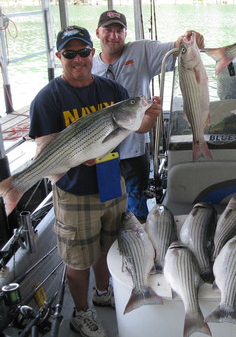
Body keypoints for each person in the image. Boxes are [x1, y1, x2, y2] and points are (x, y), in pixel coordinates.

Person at [29, 25, 162, 337]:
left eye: (84, 52)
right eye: (70, 54)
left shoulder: (111, 90)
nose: (79, 59)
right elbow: (43, 150)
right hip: (75, 191)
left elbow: (134, 127)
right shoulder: (47, 98)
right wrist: (73, 160)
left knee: (107, 245)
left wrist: (150, 115)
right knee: (78, 258)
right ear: (59, 56)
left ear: (92, 52)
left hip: (109, 181)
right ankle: (82, 313)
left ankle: (103, 293)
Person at [92, 10, 205, 222]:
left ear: (125, 34)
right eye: (108, 30)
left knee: (137, 203)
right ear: (98, 32)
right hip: (103, 150)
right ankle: (113, 245)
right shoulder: (89, 64)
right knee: (109, 203)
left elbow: (174, 48)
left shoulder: (141, 50)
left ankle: (140, 242)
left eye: (119, 30)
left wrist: (188, 39)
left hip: (134, 148)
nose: (113, 36)